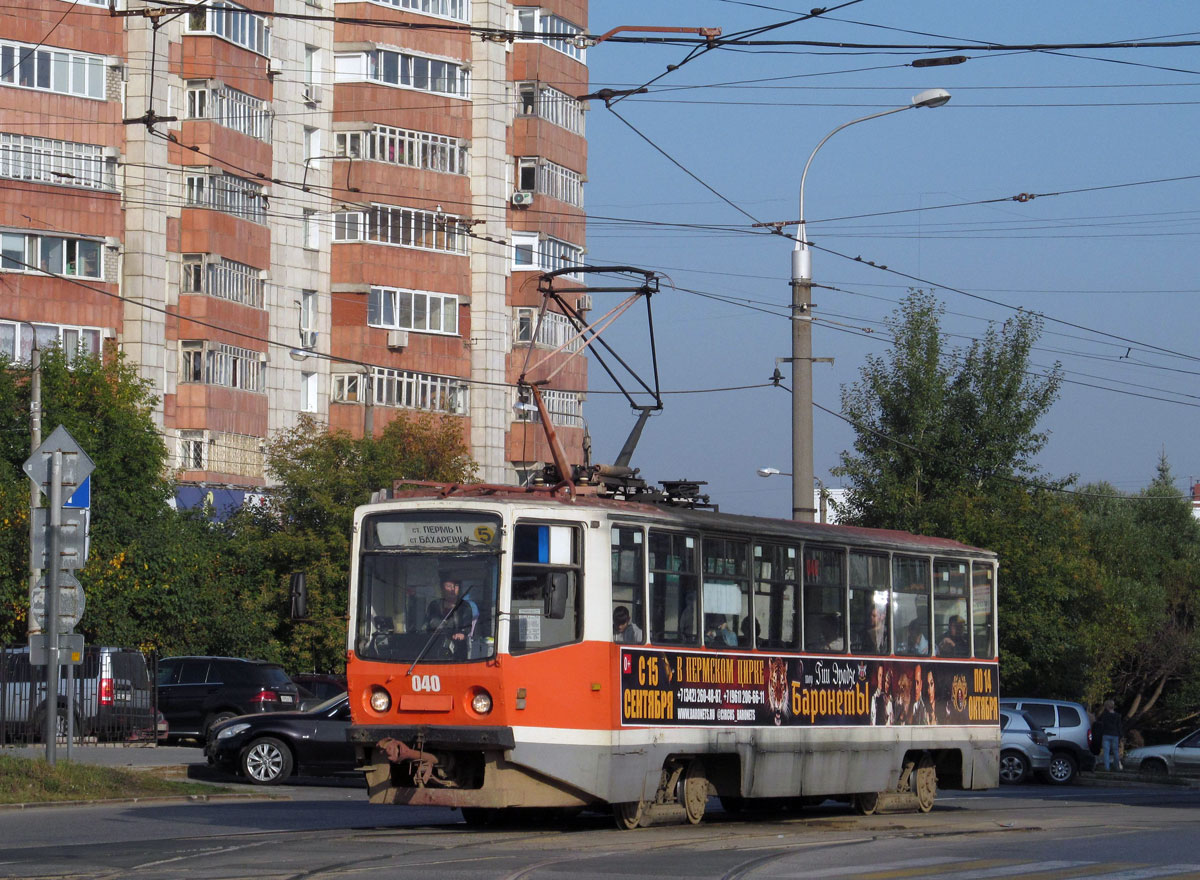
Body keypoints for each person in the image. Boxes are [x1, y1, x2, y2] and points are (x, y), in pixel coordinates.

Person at [425, 576, 474, 659]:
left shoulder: (465, 606)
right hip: (435, 645)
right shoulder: (435, 605)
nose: (453, 589)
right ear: (442, 589)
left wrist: (462, 633)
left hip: (458, 648)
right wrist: (449, 632)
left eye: (456, 586)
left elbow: (467, 625)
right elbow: (433, 623)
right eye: (449, 586)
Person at [1095, 699, 1123, 771]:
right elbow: (1119, 726)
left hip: (1106, 734)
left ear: (1106, 706)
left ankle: (1107, 768)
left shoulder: (1104, 715)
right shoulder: (1117, 715)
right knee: (1115, 751)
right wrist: (1121, 736)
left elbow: (1099, 721)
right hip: (1115, 735)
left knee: (1106, 752)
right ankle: (1117, 767)